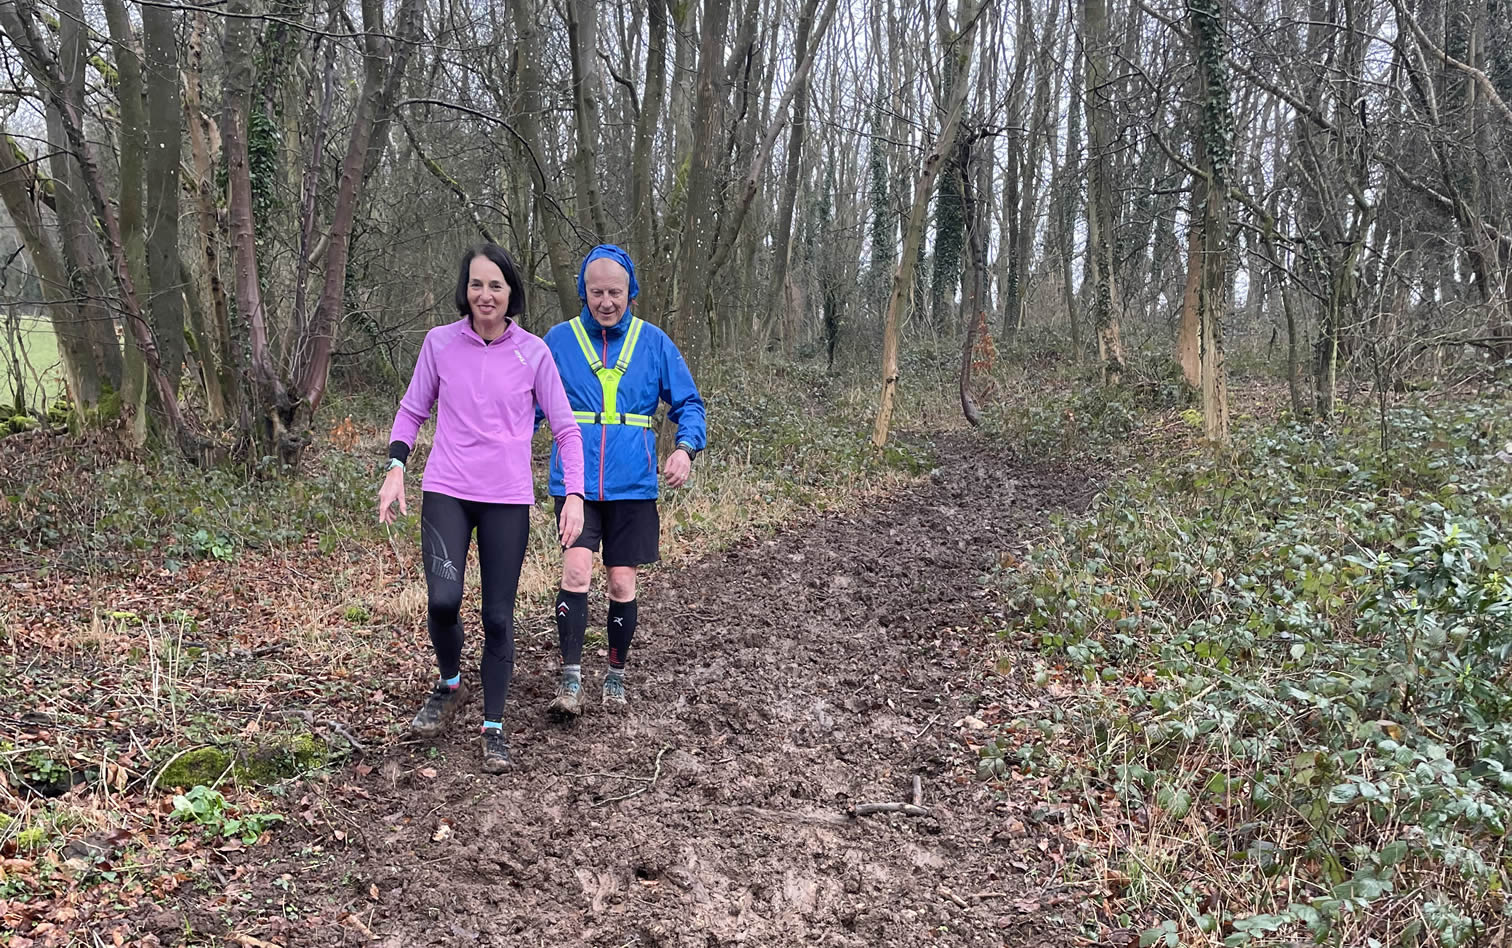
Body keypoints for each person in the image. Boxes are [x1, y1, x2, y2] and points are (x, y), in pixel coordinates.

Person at [378, 243, 586, 773]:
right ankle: (450, 685)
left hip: (507, 499)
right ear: (464, 290)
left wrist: (575, 495)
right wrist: (396, 467)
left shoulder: (534, 352)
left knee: (498, 615)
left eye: (495, 285)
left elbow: (565, 428)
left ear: (511, 291)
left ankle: (494, 727)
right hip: (446, 488)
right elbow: (412, 408)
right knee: (443, 601)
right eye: (476, 284)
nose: (485, 294)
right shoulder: (440, 343)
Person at [541, 244, 706, 715]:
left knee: (620, 583)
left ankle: (616, 673)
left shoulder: (654, 343)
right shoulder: (558, 341)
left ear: (630, 293)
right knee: (575, 571)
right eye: (597, 292)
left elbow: (689, 404)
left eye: (615, 292)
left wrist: (685, 448)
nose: (606, 302)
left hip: (632, 486)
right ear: (583, 292)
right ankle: (569, 681)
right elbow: (526, 405)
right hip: (573, 484)